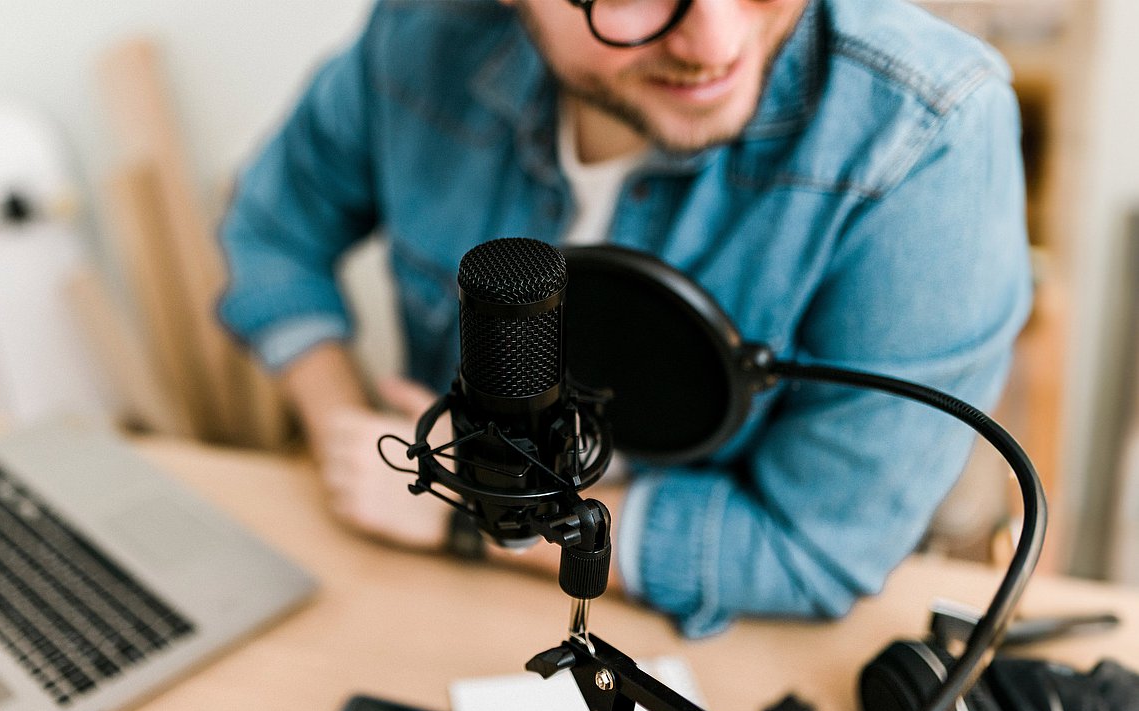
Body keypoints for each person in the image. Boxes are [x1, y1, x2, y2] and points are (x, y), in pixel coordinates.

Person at [218, 0, 1031, 638]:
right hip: (407, 597)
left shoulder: (926, 133)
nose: (714, 42)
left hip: (703, 636)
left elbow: (817, 549)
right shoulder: (421, 30)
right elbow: (271, 231)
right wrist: (340, 421)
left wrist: (472, 520)